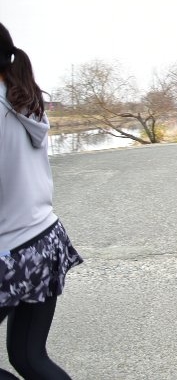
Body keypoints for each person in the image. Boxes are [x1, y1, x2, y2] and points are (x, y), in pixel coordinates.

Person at [0, 22, 83, 379]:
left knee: (29, 357)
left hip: (10, 251)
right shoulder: (20, 97)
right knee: (30, 357)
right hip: (43, 241)